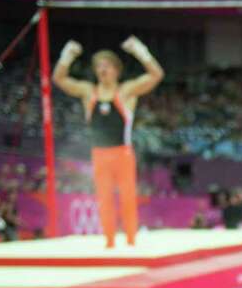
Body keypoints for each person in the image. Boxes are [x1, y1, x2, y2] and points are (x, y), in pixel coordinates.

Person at [53, 35, 164, 248]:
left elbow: (156, 75)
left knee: (128, 197)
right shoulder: (88, 92)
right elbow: (59, 79)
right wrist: (66, 56)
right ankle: (109, 242)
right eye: (99, 66)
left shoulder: (126, 91)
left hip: (123, 153)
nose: (102, 70)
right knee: (104, 199)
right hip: (99, 154)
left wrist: (140, 51)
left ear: (116, 70)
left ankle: (131, 240)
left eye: (107, 66)